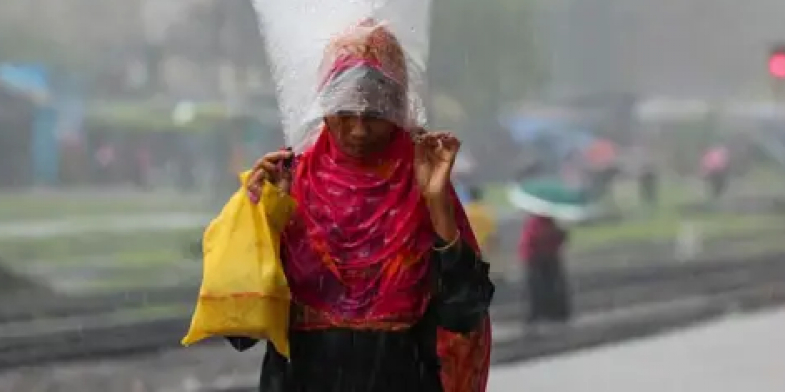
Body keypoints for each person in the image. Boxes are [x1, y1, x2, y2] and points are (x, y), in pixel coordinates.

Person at [231, 23, 493, 392]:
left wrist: (437, 206)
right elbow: (242, 333)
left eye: (373, 115)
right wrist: (262, 222)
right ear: (323, 107)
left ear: (397, 108)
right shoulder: (289, 184)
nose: (357, 131)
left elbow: (464, 314)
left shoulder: (420, 182)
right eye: (345, 112)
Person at [518, 212, 570, 331]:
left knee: (550, 286)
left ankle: (553, 312)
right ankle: (541, 313)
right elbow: (533, 240)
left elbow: (558, 240)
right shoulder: (536, 223)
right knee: (538, 287)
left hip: (547, 257)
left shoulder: (548, 223)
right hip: (536, 258)